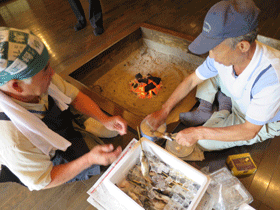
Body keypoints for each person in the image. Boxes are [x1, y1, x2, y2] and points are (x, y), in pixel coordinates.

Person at [0, 27, 127, 190]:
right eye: (46, 70)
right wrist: (89, 159)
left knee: (99, 139)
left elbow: (73, 95)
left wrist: (105, 119)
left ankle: (85, 128)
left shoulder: (38, 81)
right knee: (97, 161)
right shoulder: (13, 140)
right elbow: (43, 180)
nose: (52, 72)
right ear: (17, 86)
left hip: (50, 121)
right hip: (39, 155)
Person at [145, 0, 280, 151]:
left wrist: (198, 133)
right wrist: (164, 110)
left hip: (256, 121)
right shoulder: (228, 55)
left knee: (200, 143)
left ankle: (223, 108)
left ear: (242, 46)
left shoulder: (271, 78)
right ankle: (206, 108)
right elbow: (191, 81)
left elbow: (249, 130)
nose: (211, 55)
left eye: (215, 49)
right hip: (240, 97)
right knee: (209, 73)